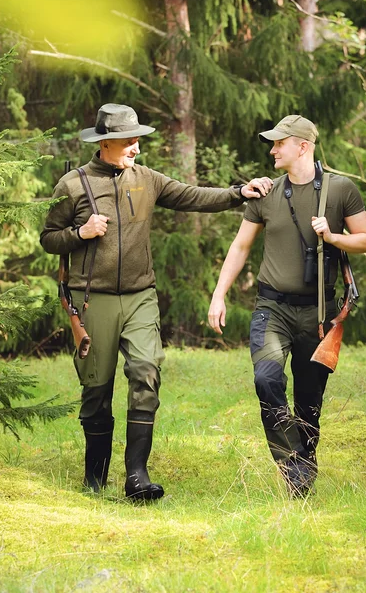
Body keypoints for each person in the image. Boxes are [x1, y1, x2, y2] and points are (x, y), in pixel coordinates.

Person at [40, 103, 273, 500]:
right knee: (96, 389)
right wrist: (81, 233)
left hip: (140, 297)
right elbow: (48, 238)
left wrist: (239, 193)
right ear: (106, 143)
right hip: (92, 300)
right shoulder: (73, 185)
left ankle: (137, 477)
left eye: (137, 140)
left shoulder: (146, 179)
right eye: (129, 141)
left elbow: (192, 196)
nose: (136, 148)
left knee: (146, 371)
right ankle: (94, 479)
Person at [208, 115, 366, 497]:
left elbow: (365, 240)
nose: (272, 150)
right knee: (266, 380)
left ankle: (301, 475)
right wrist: (219, 294)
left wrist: (333, 237)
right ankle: (294, 461)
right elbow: (241, 246)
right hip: (272, 308)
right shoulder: (265, 193)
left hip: (319, 312)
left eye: (279, 143)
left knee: (309, 403)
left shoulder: (340, 189)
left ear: (303, 146)